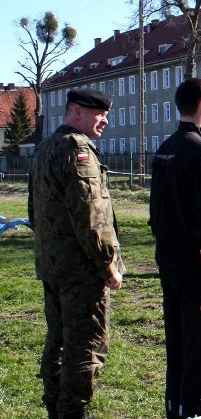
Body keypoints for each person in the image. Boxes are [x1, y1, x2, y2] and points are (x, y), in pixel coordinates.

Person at [28, 88, 124, 419]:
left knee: (57, 340)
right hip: (81, 272)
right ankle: (72, 411)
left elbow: (33, 212)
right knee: (86, 346)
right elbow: (91, 216)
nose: (106, 121)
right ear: (78, 112)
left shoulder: (45, 148)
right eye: (100, 114)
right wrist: (107, 264)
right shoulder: (78, 150)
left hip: (53, 266)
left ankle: (56, 406)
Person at [150, 78, 201, 418]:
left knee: (180, 354)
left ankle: (176, 410)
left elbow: (157, 216)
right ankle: (194, 412)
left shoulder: (165, 148)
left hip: (173, 268)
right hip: (199, 276)